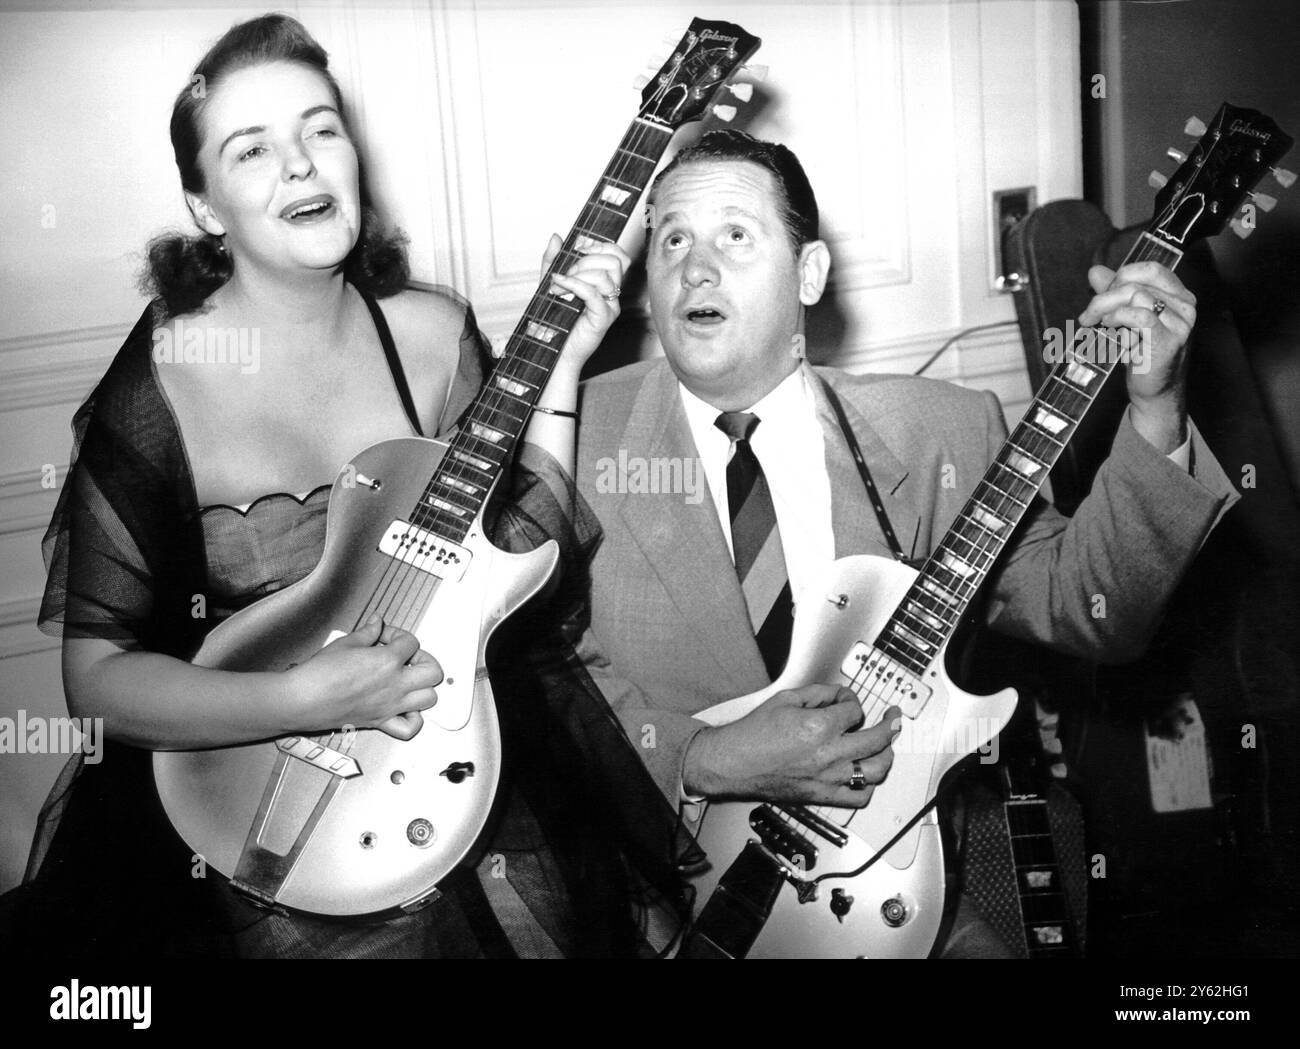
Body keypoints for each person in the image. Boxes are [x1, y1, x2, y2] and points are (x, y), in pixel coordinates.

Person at [6, 13, 696, 959]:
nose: (300, 164)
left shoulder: (428, 332)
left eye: (319, 127)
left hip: (428, 761)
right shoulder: (162, 385)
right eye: (252, 150)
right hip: (246, 791)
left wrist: (566, 366)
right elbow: (97, 683)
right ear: (207, 207)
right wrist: (310, 697)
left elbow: (519, 552)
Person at [572, 130, 1239, 956]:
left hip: (875, 897)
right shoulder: (572, 435)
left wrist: (1157, 407)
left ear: (808, 273)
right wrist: (704, 757)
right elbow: (539, 674)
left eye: (735, 235)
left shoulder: (942, 430)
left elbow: (1094, 611)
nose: (696, 268)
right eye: (672, 238)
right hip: (651, 896)